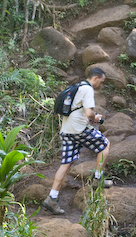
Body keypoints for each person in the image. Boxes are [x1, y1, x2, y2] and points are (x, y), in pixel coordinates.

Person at [42, 67, 112, 215]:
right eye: (101, 81)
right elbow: (88, 112)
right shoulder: (87, 89)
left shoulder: (78, 87)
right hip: (79, 129)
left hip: (67, 130)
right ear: (95, 78)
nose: (101, 85)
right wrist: (95, 118)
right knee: (104, 145)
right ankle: (97, 179)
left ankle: (52, 198)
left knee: (66, 163)